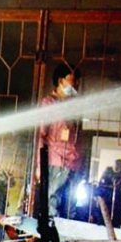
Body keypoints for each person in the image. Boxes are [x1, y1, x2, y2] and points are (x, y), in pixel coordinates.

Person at [36, 63, 83, 218]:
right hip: (56, 161)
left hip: (72, 163)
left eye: (76, 82)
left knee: (70, 206)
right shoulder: (49, 103)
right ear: (60, 81)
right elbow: (41, 135)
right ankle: (51, 237)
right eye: (72, 81)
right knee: (53, 201)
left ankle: (65, 240)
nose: (75, 85)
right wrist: (39, 166)